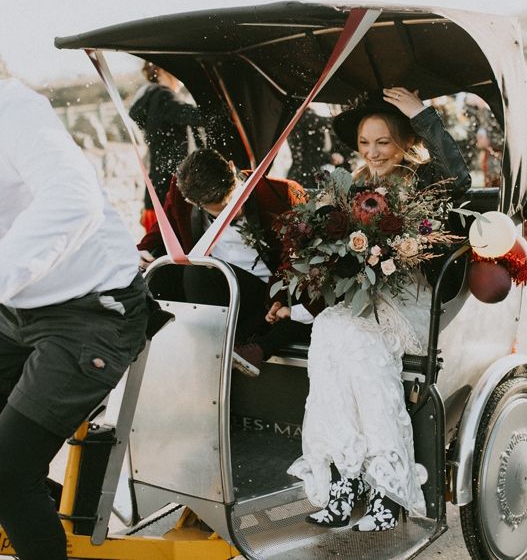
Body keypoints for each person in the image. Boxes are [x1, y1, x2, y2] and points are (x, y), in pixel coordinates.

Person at [286, 87, 470, 532]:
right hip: (363, 303)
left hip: (410, 302)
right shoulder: (353, 184)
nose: (372, 152)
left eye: (383, 142)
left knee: (354, 345)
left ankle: (387, 487)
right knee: (329, 334)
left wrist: (422, 115)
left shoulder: (423, 181)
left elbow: (458, 178)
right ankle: (348, 477)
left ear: (405, 141)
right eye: (365, 143)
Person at [0, 76, 149, 560]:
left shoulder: (14, 108)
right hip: (16, 307)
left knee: (6, 471)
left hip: (91, 310)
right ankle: (30, 515)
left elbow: (73, 197)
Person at [137, 148, 315, 376]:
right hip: (212, 293)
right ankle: (151, 343)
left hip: (265, 295)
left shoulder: (279, 193)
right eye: (221, 210)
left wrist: (278, 298)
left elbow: (297, 258)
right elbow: (166, 228)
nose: (235, 211)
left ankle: (213, 355)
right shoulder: (182, 194)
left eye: (233, 200)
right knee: (160, 273)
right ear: (194, 201)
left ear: (232, 168)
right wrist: (143, 250)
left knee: (198, 271)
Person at [130, 62, 206, 231]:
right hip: (170, 192)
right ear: (162, 69)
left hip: (158, 188)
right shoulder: (163, 97)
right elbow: (197, 116)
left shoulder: (151, 99)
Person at [286, 106, 348, 186]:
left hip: (314, 174)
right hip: (303, 175)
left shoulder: (316, 124)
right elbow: (308, 156)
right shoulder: (303, 117)